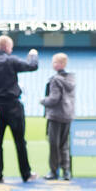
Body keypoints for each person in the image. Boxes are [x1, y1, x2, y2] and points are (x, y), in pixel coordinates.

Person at [0, 35, 39, 183]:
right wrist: (33, 55)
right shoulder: (11, 60)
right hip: (12, 106)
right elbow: (32, 66)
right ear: (7, 47)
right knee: (20, 141)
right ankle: (26, 174)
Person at [40, 52, 76, 181]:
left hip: (55, 115)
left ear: (61, 64)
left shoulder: (55, 79)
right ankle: (66, 171)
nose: (53, 64)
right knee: (64, 144)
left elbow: (54, 99)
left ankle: (54, 171)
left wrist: (43, 101)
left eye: (55, 62)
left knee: (53, 144)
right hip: (67, 114)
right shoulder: (71, 79)